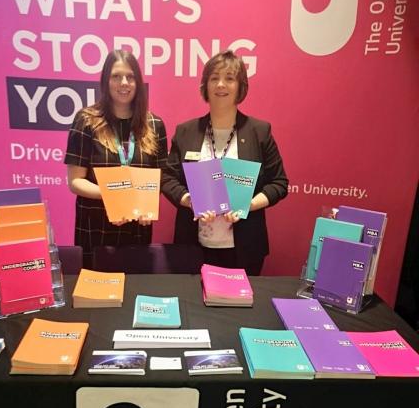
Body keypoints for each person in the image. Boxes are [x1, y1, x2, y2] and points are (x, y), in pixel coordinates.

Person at [161, 50, 288, 275]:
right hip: (193, 245)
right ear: (205, 86)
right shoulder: (186, 131)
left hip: (245, 247)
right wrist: (191, 201)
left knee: (237, 309)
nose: (221, 85)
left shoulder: (259, 132)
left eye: (229, 78)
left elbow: (279, 183)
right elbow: (168, 178)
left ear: (240, 86)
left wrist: (246, 206)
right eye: (214, 78)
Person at [64, 49, 167, 268]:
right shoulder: (86, 121)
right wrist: (116, 198)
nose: (124, 83)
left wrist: (143, 205)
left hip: (138, 228)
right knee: (98, 296)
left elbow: (160, 178)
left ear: (138, 82)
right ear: (105, 81)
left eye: (130, 77)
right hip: (95, 228)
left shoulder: (155, 125)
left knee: (134, 290)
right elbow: (75, 181)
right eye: (116, 76)